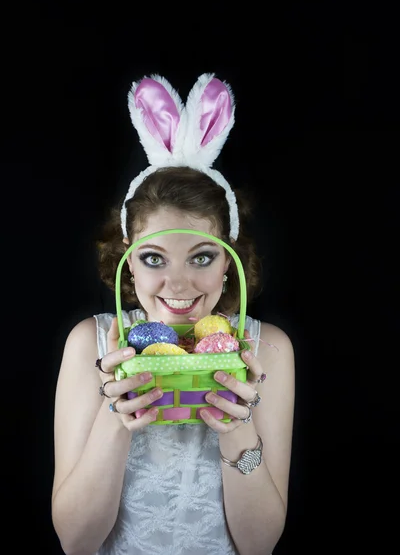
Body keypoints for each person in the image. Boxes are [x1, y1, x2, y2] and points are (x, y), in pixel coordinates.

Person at [51, 72, 295, 555]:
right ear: (129, 261)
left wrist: (238, 425)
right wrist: (116, 416)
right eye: (154, 258)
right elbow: (75, 542)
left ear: (229, 261)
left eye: (201, 257)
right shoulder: (92, 344)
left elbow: (260, 546)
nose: (178, 285)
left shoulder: (268, 349)